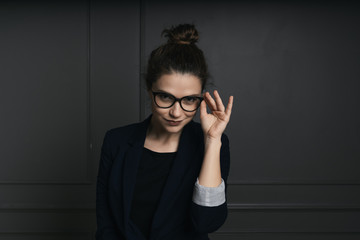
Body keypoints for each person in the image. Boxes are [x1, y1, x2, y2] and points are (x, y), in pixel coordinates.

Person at [96, 23, 233, 240]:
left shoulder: (212, 144)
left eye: (189, 100)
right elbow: (106, 225)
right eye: (166, 97)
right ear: (150, 91)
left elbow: (207, 222)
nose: (176, 112)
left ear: (201, 97)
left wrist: (213, 141)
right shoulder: (116, 141)